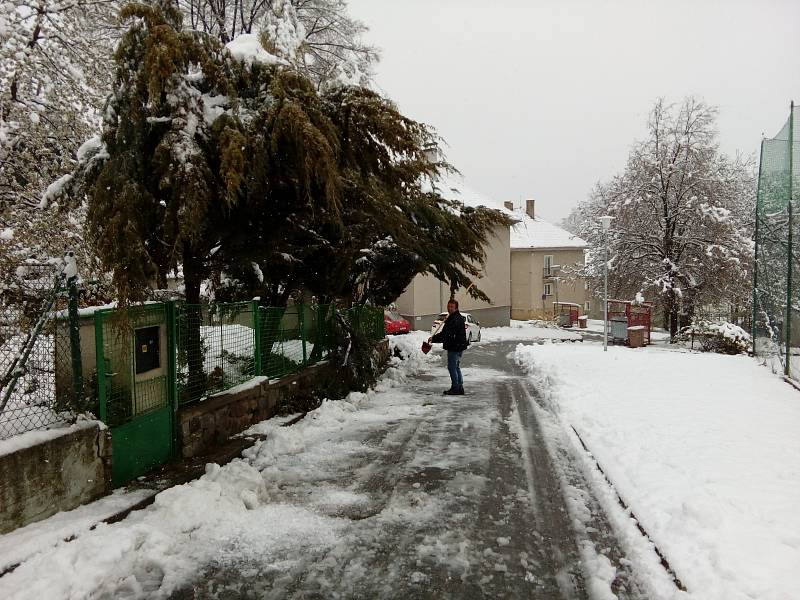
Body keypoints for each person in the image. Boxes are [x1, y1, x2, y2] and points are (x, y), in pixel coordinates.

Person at [429, 298, 468, 395]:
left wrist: (434, 339)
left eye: (452, 307)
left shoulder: (454, 319)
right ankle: (459, 387)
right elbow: (447, 333)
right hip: (458, 346)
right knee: (456, 367)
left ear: (456, 308)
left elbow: (447, 334)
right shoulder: (454, 317)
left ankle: (455, 388)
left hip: (454, 347)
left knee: (452, 367)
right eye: (448, 306)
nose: (449, 308)